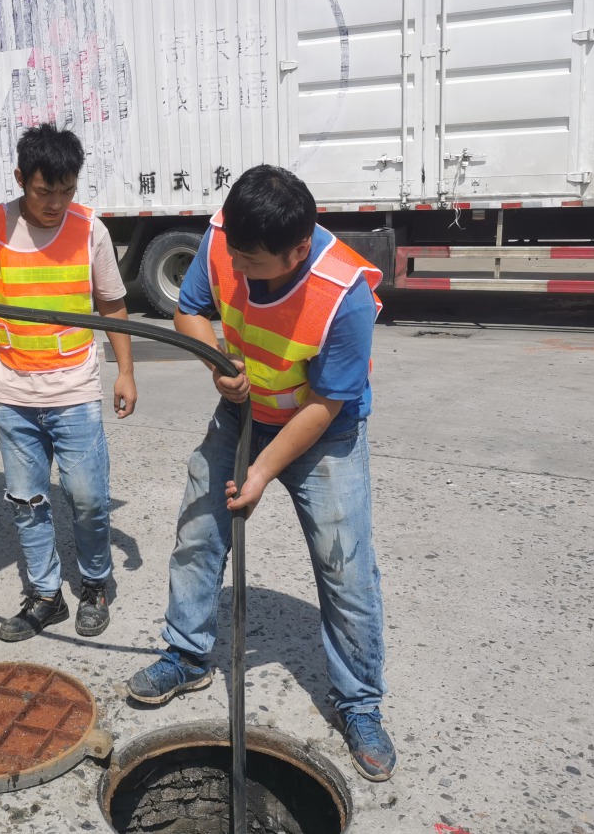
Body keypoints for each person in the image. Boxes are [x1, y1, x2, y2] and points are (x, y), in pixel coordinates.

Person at [124, 164, 396, 783]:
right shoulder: (227, 238)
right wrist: (218, 368)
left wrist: (263, 472)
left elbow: (327, 405)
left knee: (344, 565)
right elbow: (191, 312)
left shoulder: (343, 294)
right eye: (237, 258)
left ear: (299, 248)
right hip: (242, 410)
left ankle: (359, 705)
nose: (241, 273)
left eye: (256, 264)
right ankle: (186, 655)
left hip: (322, 430)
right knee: (198, 530)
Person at [0, 123, 136, 643]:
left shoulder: (90, 229)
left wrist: (125, 371)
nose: (55, 203)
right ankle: (46, 596)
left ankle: (94, 585)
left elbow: (112, 303)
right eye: (43, 190)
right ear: (20, 179)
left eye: (66, 190)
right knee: (27, 501)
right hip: (14, 393)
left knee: (88, 498)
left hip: (75, 389)